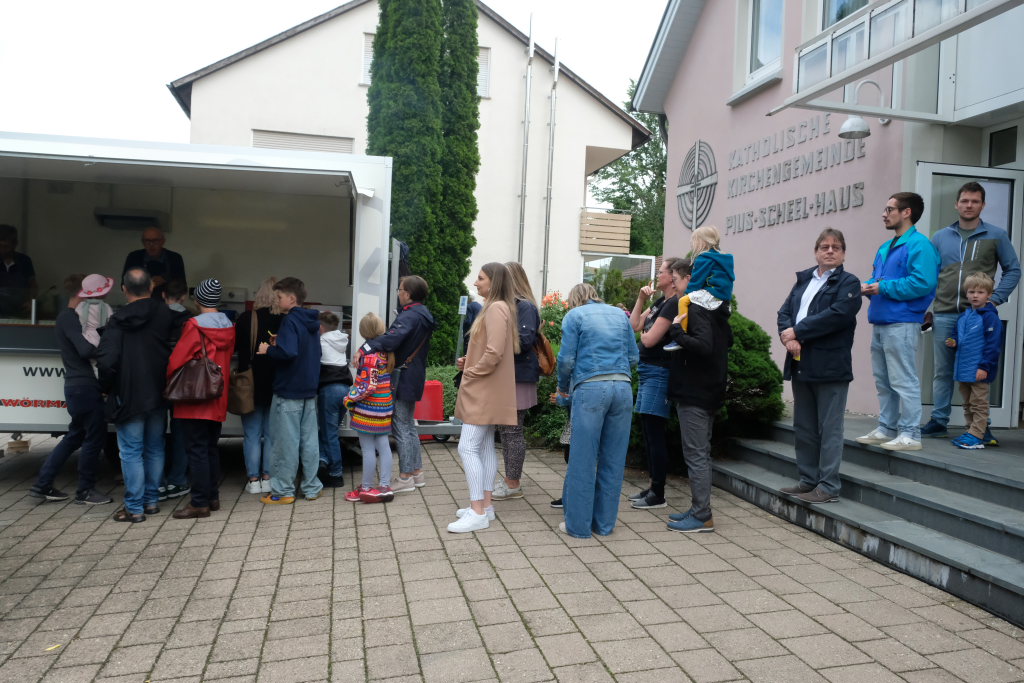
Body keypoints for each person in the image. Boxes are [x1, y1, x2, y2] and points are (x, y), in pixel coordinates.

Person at [922, 182, 1020, 445]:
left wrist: (995, 299)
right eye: (965, 200)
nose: (969, 205)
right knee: (942, 371)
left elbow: (1013, 269)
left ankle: (981, 427)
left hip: (977, 318)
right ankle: (938, 421)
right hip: (944, 313)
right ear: (957, 204)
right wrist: (927, 309)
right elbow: (930, 275)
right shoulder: (940, 237)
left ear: (982, 205)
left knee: (977, 375)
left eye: (975, 201)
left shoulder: (996, 235)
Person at [777, 229, 862, 504]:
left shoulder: (849, 283)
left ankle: (828, 486)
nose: (830, 251)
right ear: (816, 252)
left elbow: (837, 315)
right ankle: (808, 480)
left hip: (831, 366)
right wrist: (788, 337)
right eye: (824, 246)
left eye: (836, 247)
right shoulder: (804, 280)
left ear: (843, 254)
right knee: (804, 427)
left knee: (830, 429)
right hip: (801, 363)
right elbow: (784, 312)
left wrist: (798, 331)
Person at [97, 268, 186, 523]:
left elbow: (107, 361)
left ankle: (134, 507)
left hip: (128, 393)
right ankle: (152, 501)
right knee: (155, 447)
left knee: (131, 451)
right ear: (152, 287)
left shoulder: (117, 319)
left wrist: (105, 386)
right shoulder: (166, 314)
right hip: (159, 390)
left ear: (124, 289)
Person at [857, 192, 940, 452]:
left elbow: (923, 283)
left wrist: (881, 287)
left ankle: (911, 433)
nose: (884, 214)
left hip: (902, 322)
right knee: (884, 381)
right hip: (881, 321)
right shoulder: (886, 246)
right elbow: (879, 278)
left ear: (907, 212)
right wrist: (869, 285)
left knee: (904, 380)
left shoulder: (920, 245)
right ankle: (887, 428)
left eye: (889, 209)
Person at [555, 283, 638, 538]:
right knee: (613, 460)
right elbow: (634, 357)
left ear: (574, 299)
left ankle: (578, 527)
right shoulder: (619, 315)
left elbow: (566, 359)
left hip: (590, 388)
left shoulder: (575, 315)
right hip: (623, 388)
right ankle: (604, 525)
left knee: (583, 459)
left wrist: (562, 387)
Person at [28, 274, 113, 506]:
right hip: (84, 386)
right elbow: (85, 350)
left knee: (74, 436)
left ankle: (42, 484)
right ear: (83, 295)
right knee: (94, 439)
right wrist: (106, 348)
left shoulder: (69, 317)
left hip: (76, 387)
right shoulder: (70, 318)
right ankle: (85, 491)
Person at [664, 257, 733, 533]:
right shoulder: (716, 309)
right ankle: (698, 509)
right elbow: (726, 341)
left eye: (677, 280)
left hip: (696, 392)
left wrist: (677, 332)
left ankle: (702, 514)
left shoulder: (698, 309)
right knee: (699, 453)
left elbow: (704, 346)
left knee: (696, 454)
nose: (675, 285)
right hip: (706, 390)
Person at [449, 263, 519, 533]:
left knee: (467, 447)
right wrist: (470, 361)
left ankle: (477, 510)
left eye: (480, 278)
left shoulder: (495, 308)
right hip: (488, 388)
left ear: (494, 281)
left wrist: (472, 371)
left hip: (483, 390)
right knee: (485, 447)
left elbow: (493, 353)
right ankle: (485, 507)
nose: (476, 282)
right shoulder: (500, 307)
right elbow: (492, 351)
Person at [166, 279, 235, 519]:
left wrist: (168, 380)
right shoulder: (229, 326)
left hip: (195, 396)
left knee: (195, 450)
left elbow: (178, 359)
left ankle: (199, 503)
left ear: (197, 300)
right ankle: (212, 497)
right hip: (217, 395)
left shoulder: (194, 325)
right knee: (210, 448)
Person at [362, 275, 435, 493]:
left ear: (408, 294)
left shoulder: (410, 315)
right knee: (409, 425)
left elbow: (392, 340)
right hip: (414, 373)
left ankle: (405, 478)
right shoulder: (423, 313)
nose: (398, 293)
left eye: (400, 289)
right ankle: (416, 473)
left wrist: (366, 348)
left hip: (404, 374)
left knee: (401, 425)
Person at [256, 277, 322, 504]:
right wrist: (282, 343)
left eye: (280, 296)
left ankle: (283, 491)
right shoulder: (311, 321)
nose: (276, 300)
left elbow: (289, 353)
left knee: (285, 443)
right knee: (309, 442)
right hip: (309, 390)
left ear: (292, 299)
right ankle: (312, 487)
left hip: (289, 391)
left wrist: (268, 350)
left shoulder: (290, 321)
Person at [627, 256, 681, 510]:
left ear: (672, 277)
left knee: (654, 432)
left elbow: (648, 340)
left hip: (659, 372)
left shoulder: (674, 304)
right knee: (649, 431)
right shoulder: (661, 302)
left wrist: (646, 334)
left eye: (661, 272)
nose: (657, 275)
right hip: (648, 371)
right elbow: (634, 325)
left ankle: (658, 493)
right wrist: (641, 299)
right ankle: (652, 486)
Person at [491, 262, 541, 501]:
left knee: (512, 431)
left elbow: (524, 340)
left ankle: (513, 483)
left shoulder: (525, 306)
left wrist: (493, 346)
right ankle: (511, 480)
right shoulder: (514, 306)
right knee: (508, 430)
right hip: (512, 375)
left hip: (517, 376)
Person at [235, 277, 282, 494]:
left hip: (250, 384)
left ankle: (253, 480)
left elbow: (236, 348)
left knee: (252, 434)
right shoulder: (284, 321)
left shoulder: (247, 318)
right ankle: (267, 478)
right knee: (271, 435)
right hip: (276, 383)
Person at [946, 273, 1003, 450]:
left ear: (989, 295)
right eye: (971, 292)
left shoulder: (990, 317)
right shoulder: (964, 316)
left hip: (979, 370)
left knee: (979, 404)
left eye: (980, 292)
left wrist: (984, 367)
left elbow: (993, 346)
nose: (975, 295)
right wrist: (953, 341)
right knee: (968, 403)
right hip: (963, 368)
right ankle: (973, 431)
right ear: (966, 294)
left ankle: (976, 435)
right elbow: (957, 335)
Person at [344, 313, 396, 503]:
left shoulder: (369, 357)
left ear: (363, 331)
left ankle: (366, 487)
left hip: (368, 410)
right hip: (384, 407)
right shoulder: (386, 353)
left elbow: (368, 386)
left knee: (367, 449)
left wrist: (349, 397)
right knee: (383, 445)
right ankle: (384, 486)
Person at [664, 225, 734, 350]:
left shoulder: (704, 258)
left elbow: (697, 279)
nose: (692, 244)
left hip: (712, 291)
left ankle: (682, 332)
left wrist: (689, 293)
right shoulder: (723, 258)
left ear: (702, 242)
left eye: (694, 241)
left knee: (683, 301)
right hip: (723, 296)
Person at [160, 278, 192, 501]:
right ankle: (178, 479)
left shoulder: (154, 316)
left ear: (163, 295)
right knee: (181, 431)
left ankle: (158, 482)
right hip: (181, 380)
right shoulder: (190, 320)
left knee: (156, 432)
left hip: (156, 379)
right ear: (184, 296)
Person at [317, 310, 352, 488]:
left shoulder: (321, 342)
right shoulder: (341, 340)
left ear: (320, 327)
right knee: (328, 431)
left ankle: (336, 474)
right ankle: (323, 460)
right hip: (345, 390)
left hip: (329, 391)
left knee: (329, 433)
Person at [122, 226, 187, 288]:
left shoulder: (174, 258)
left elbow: (182, 286)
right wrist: (145, 283)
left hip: (167, 295)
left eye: (155, 241)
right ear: (143, 242)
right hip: (141, 295)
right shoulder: (134, 257)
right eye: (147, 241)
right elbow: (124, 284)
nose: (151, 244)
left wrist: (166, 280)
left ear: (162, 241)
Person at [0, 224, 37, 317]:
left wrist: (31, 301)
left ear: (15, 244)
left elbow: (33, 284)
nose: (2, 250)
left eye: (5, 247)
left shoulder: (24, 261)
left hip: (20, 312)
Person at [75, 274, 114, 347]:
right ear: (102, 293)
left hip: (85, 339)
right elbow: (111, 324)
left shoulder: (81, 306)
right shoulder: (106, 307)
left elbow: (76, 321)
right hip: (102, 339)